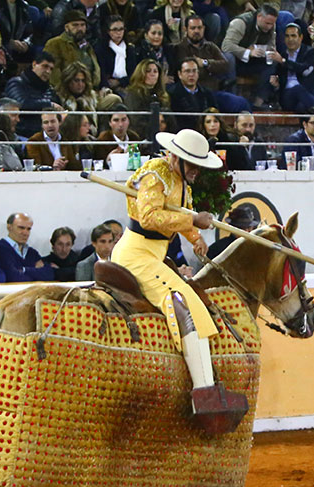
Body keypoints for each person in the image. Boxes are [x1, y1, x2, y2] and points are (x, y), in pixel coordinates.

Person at [109, 127, 248, 434]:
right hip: (135, 255)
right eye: (192, 164)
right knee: (181, 298)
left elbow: (177, 211)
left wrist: (195, 236)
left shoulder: (180, 179)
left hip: (153, 254)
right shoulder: (153, 176)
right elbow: (149, 217)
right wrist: (192, 220)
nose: (197, 171)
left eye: (199, 165)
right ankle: (204, 391)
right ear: (175, 157)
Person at [221, 5, 281, 109]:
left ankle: (259, 102)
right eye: (267, 23)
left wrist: (272, 53)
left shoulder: (271, 26)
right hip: (236, 61)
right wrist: (248, 52)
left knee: (272, 61)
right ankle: (233, 97)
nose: (270, 27)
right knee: (228, 56)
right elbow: (226, 46)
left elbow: (271, 46)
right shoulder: (240, 23)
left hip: (252, 61)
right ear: (259, 16)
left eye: (272, 24)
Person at [5, 51, 62, 137]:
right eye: (45, 66)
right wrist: (49, 104)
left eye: (51, 69)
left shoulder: (49, 90)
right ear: (34, 64)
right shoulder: (16, 83)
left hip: (46, 135)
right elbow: (21, 104)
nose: (48, 71)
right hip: (22, 134)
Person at [0, 212, 56, 281]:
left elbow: (49, 275)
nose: (25, 233)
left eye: (28, 229)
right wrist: (36, 273)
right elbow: (13, 277)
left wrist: (23, 270)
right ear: (9, 227)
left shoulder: (32, 252)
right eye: (21, 228)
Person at [45, 11, 101, 90]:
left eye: (82, 25)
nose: (80, 29)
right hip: (65, 92)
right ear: (66, 27)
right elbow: (53, 74)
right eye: (75, 25)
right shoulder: (55, 44)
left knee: (114, 99)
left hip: (90, 92)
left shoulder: (88, 46)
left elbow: (95, 71)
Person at [278, 23, 314, 114]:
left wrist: (284, 62)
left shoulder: (310, 53)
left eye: (293, 36)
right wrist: (276, 83)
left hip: (307, 93)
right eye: (287, 36)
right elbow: (278, 78)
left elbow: (304, 70)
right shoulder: (282, 55)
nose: (290, 39)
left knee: (302, 107)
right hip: (288, 96)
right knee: (297, 89)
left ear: (301, 37)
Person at [124, 58, 171, 136]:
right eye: (148, 71)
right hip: (141, 135)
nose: (152, 74)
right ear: (141, 74)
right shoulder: (133, 93)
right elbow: (135, 120)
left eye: (155, 71)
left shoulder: (163, 95)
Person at [168, 57, 218, 128]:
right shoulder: (171, 94)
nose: (191, 74)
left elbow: (215, 114)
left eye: (194, 71)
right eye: (187, 71)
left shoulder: (207, 93)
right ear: (180, 74)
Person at [97, 14, 137, 93]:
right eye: (115, 29)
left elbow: (134, 73)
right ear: (108, 31)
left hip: (127, 85)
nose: (118, 33)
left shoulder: (130, 49)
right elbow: (101, 72)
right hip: (107, 87)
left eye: (121, 29)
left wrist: (120, 82)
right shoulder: (101, 49)